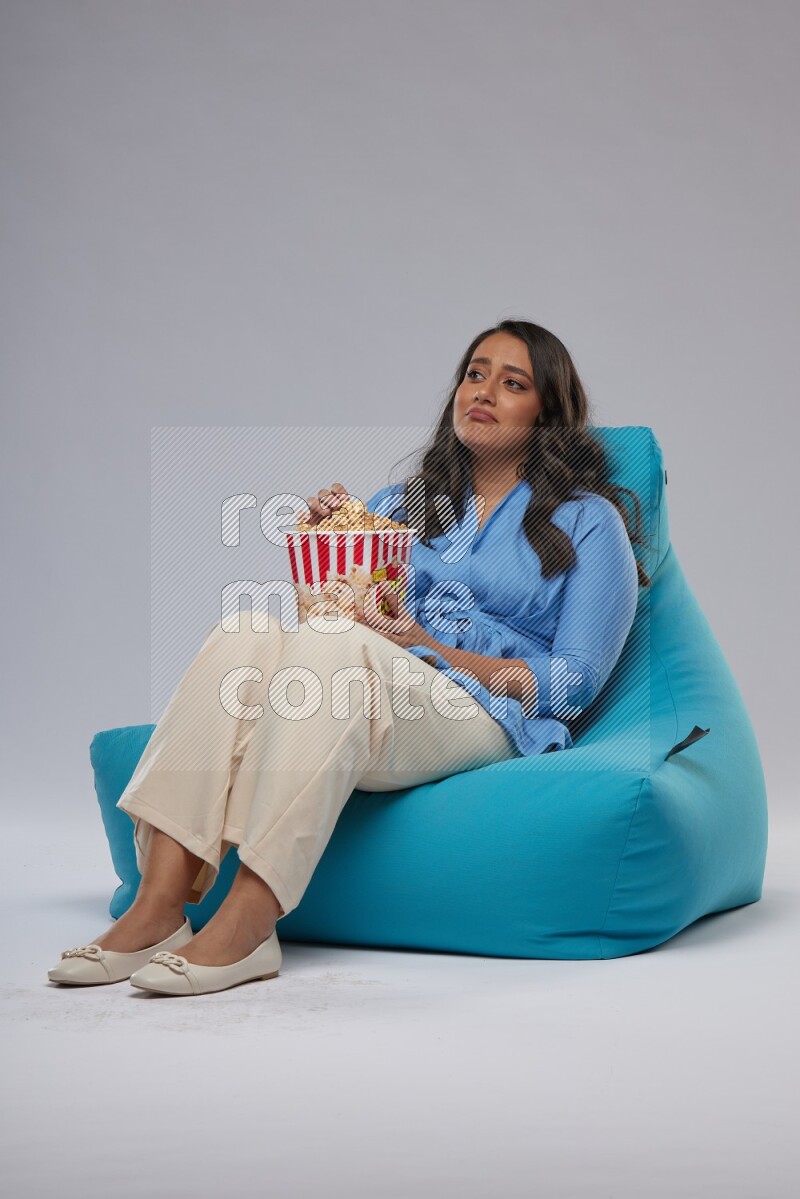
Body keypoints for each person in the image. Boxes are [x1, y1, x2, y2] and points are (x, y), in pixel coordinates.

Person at [47, 319, 650, 996]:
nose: (482, 391)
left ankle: (252, 915)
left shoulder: (588, 521)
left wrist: (427, 645)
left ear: (547, 412)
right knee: (245, 630)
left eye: (513, 383)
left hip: (486, 715)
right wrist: (326, 543)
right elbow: (329, 623)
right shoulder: (403, 505)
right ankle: (156, 907)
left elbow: (573, 683)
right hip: (368, 689)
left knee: (335, 646)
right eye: (474, 373)